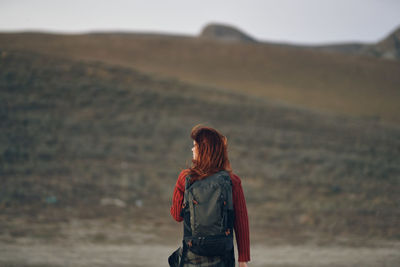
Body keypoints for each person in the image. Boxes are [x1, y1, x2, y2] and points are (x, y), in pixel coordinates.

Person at [170, 125, 250, 267]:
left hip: (193, 255)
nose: (192, 149)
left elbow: (177, 216)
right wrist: (243, 259)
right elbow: (241, 221)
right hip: (223, 255)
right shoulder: (232, 181)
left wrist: (180, 190)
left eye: (195, 145)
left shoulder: (185, 178)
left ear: (204, 149)